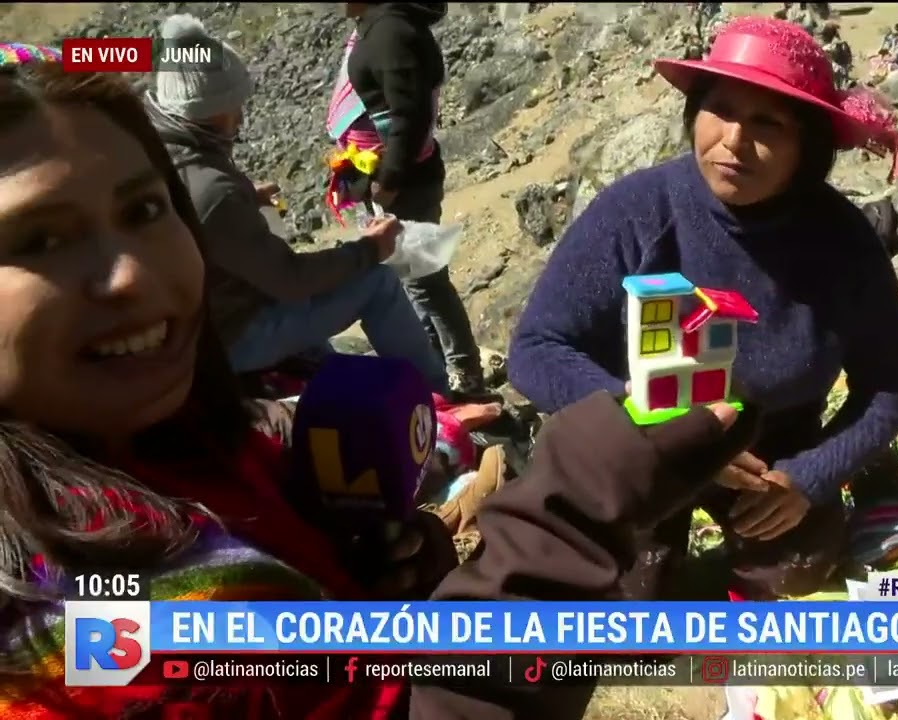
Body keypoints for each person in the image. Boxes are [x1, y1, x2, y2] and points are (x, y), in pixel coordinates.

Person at [0, 56, 759, 720]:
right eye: (38, 241)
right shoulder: (69, 638)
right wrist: (572, 507)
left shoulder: (197, 438)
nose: (130, 273)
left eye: (142, 210)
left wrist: (360, 587)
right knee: (383, 290)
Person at [507, 16, 898, 602]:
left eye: (767, 123)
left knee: (795, 572)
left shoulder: (842, 242)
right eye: (720, 109)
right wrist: (656, 433)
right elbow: (537, 349)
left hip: (769, 454)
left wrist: (810, 477)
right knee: (631, 599)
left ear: (808, 146)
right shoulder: (635, 213)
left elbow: (889, 383)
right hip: (639, 437)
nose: (732, 139)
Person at [143, 14, 454, 395]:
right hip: (234, 337)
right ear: (212, 110)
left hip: (205, 324)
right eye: (234, 105)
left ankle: (325, 377)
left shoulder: (160, 151)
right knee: (379, 282)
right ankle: (437, 398)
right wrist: (370, 249)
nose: (240, 115)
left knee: (320, 312)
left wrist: (245, 201)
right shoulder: (213, 189)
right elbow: (290, 280)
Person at [334, 3, 494, 400]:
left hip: (405, 183)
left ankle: (464, 375)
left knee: (425, 281)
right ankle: (435, 366)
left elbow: (410, 113)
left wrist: (389, 180)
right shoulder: (381, 25)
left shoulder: (390, 32)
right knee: (409, 279)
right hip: (398, 177)